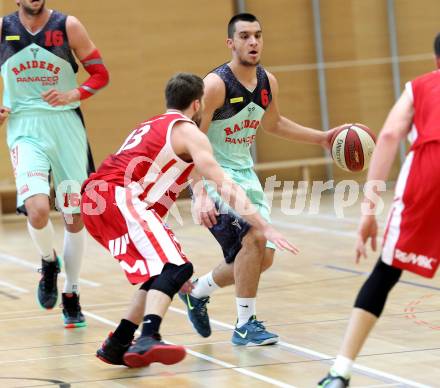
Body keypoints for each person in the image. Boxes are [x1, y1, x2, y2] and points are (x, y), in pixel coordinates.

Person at [80, 73, 298, 368]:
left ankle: (118, 343)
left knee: (160, 275)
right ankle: (149, 337)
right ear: (197, 104)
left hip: (98, 200)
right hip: (120, 197)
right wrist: (264, 225)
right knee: (177, 267)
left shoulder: (149, 124)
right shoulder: (189, 132)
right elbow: (223, 184)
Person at [179, 13, 337, 346]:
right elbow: (189, 139)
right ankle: (244, 325)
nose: (253, 42)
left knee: (261, 257)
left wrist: (321, 138)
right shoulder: (215, 85)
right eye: (245, 36)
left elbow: (274, 124)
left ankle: (197, 291)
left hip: (244, 175)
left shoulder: (267, 81)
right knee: (252, 238)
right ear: (231, 43)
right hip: (214, 177)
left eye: (258, 36)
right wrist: (199, 193)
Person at [317, 33, 440, 387]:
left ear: (435, 60)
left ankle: (340, 370)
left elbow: (387, 137)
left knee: (386, 273)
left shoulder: (419, 87)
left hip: (429, 173)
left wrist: (369, 211)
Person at [0, 0, 109, 327]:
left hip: (66, 127)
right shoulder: (4, 29)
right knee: (37, 209)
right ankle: (49, 262)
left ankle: (72, 293)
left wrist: (75, 94)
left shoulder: (68, 26)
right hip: (25, 127)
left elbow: (101, 74)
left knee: (75, 215)